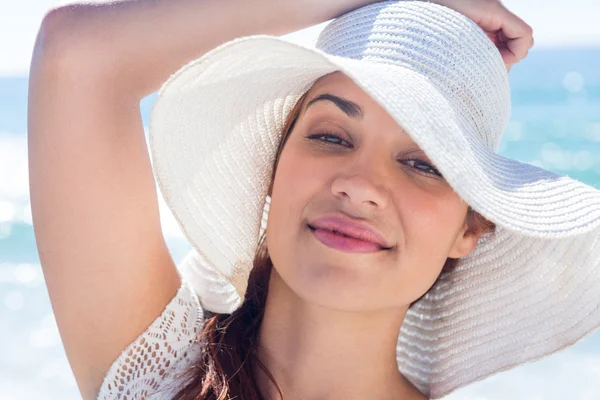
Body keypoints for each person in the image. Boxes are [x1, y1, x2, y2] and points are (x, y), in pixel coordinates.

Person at [29, 0, 598, 399]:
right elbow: (77, 56)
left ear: (469, 229)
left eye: (423, 163)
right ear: (273, 169)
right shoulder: (165, 379)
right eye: (330, 136)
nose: (360, 183)